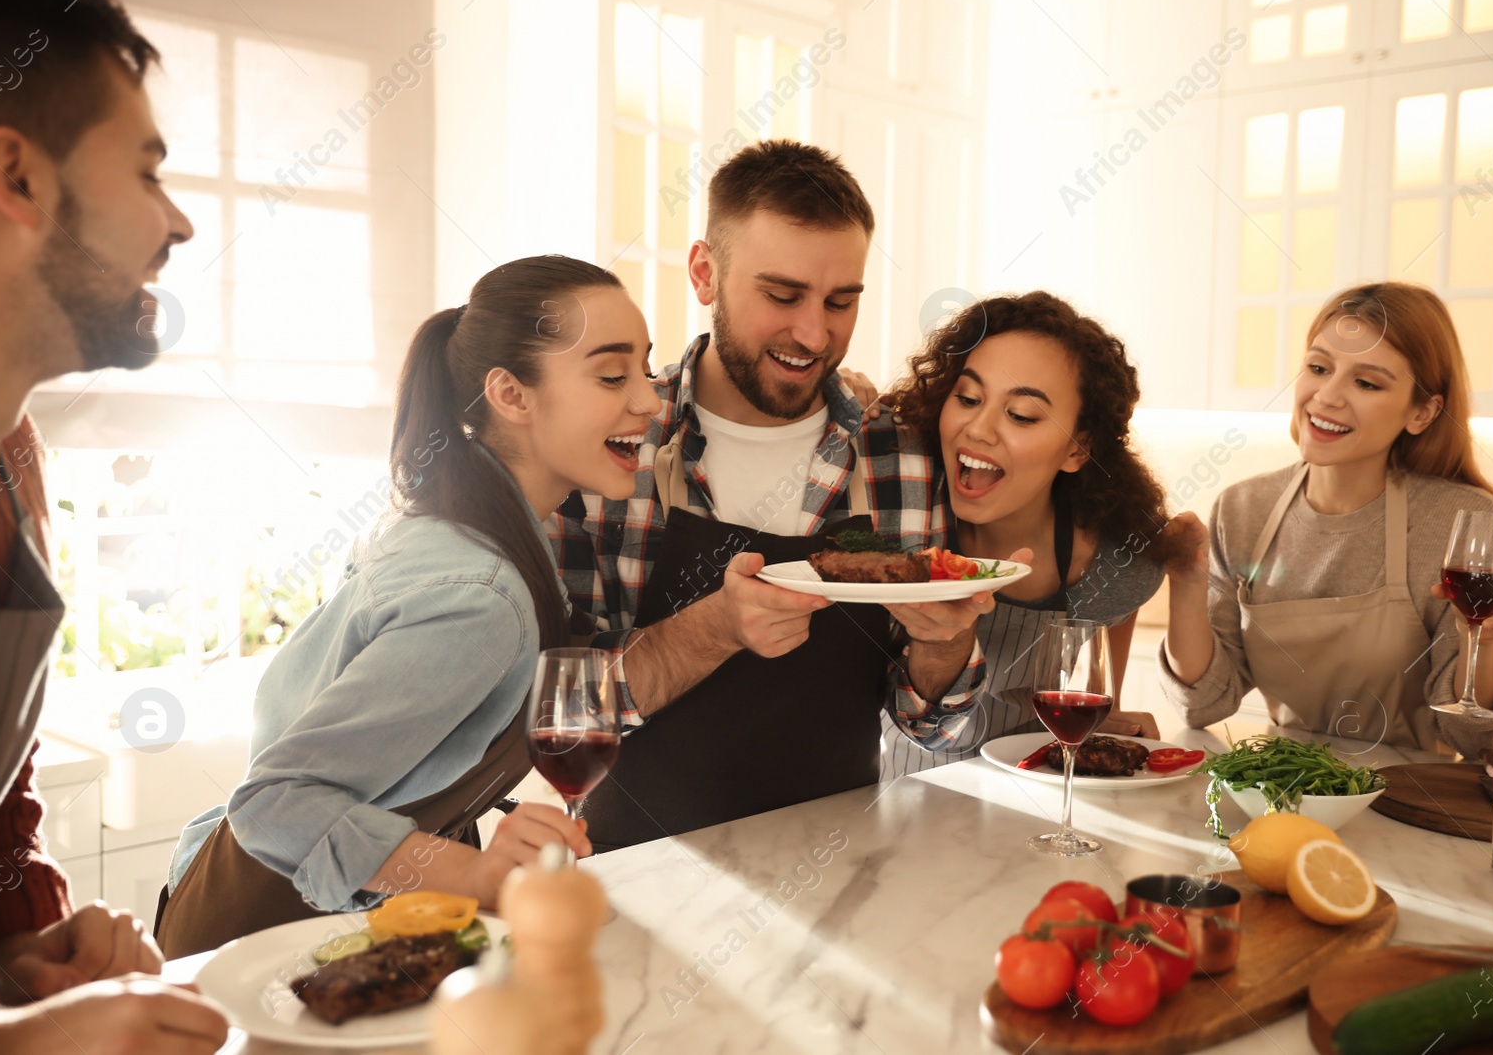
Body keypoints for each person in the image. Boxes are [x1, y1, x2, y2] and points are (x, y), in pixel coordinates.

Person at [155, 257, 657, 957]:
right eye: (613, 375)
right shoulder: (479, 597)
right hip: (264, 935)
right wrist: (471, 872)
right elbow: (275, 799)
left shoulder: (455, 528)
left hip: (319, 921)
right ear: (511, 395)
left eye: (646, 369)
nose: (650, 401)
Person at [550, 140, 1012, 850]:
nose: (814, 333)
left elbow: (934, 725)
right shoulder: (611, 449)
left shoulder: (903, 458)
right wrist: (715, 628)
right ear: (705, 273)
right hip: (634, 881)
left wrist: (943, 644)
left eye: (841, 301)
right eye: (782, 294)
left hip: (840, 877)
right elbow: (566, 713)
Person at [0, 0, 231, 1052]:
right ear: (18, 176)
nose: (180, 221)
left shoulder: (9, 457)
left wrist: (24, 954)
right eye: (150, 172)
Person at [1159, 282, 1493, 756]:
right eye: (1318, 368)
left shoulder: (1457, 520)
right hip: (1286, 784)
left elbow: (1477, 738)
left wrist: (1482, 643)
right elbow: (1202, 704)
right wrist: (1186, 581)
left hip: (1411, 801)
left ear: (1423, 412)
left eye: (1366, 383)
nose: (1326, 396)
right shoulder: (1242, 509)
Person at [878, 292, 1177, 777]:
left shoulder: (1116, 561)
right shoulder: (901, 511)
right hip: (901, 792)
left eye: (1021, 415)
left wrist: (1109, 712)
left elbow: (1115, 619)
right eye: (968, 398)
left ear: (1078, 450)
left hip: (1031, 801)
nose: (979, 429)